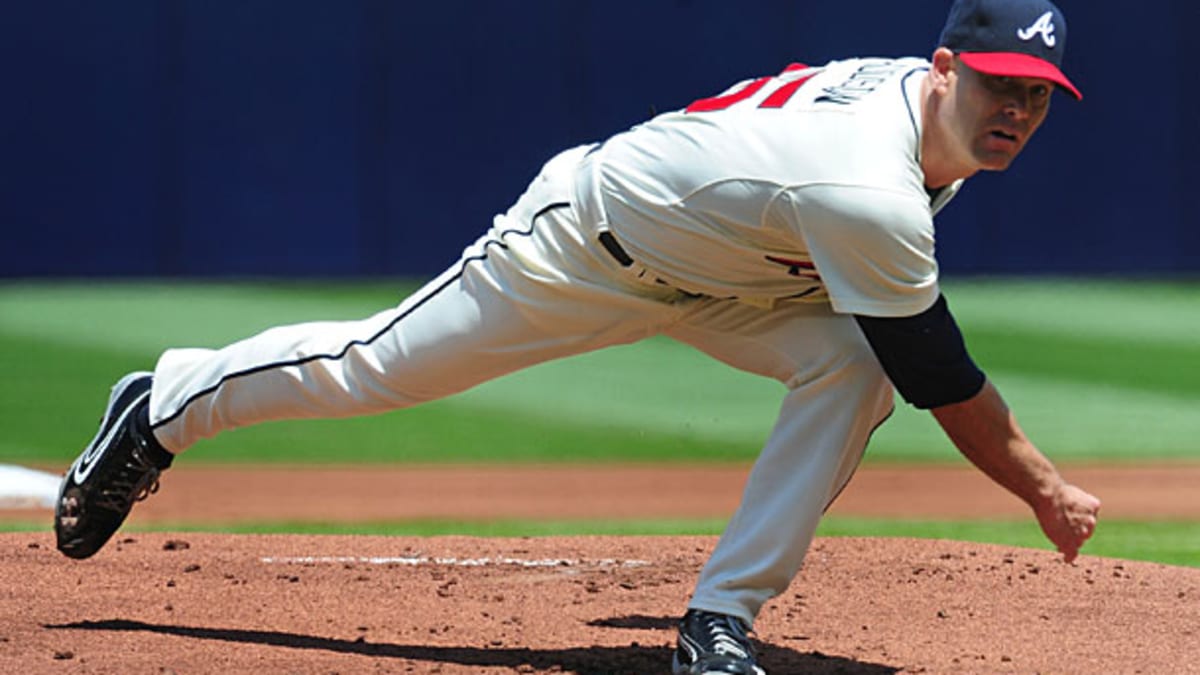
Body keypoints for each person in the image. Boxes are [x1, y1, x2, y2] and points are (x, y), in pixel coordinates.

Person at [54, 0, 1102, 673]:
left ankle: (719, 621)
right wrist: (1045, 488)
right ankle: (167, 404)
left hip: (735, 270)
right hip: (582, 250)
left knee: (847, 363)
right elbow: (942, 377)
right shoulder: (865, 182)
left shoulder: (917, 122)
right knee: (376, 370)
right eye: (997, 86)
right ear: (942, 69)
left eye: (1036, 97)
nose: (1015, 110)